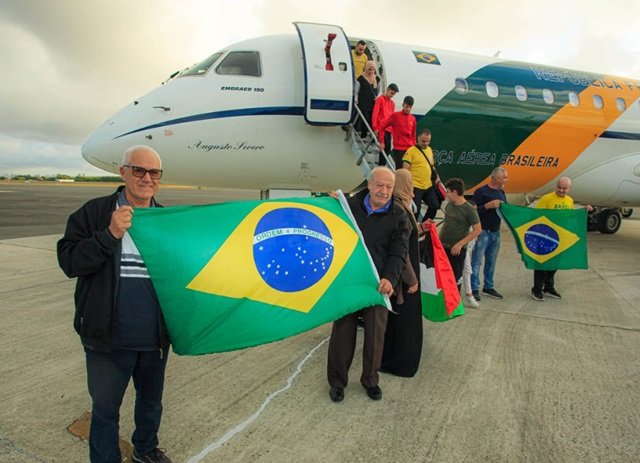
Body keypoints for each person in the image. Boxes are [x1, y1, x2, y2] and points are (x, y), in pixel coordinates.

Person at [57, 145, 173, 463]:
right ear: (123, 172)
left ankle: (145, 450)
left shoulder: (166, 220)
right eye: (139, 170)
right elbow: (69, 262)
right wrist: (109, 234)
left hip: (154, 340)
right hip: (107, 339)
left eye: (154, 172)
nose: (147, 178)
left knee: (150, 403)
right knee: (105, 410)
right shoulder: (94, 213)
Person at [327, 167, 410, 402]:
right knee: (342, 334)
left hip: (378, 284)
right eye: (380, 185)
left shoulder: (399, 215)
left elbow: (399, 252)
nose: (384, 191)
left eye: (389, 187)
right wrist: (332, 203)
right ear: (370, 184)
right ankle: (337, 383)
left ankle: (370, 380)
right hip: (350, 281)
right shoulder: (349, 207)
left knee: (375, 336)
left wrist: (390, 278)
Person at [381, 169, 423, 377]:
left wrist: (421, 229)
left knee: (396, 321)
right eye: (410, 183)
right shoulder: (399, 210)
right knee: (405, 321)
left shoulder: (400, 206)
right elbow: (401, 251)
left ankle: (390, 360)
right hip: (404, 279)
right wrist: (411, 280)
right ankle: (399, 364)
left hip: (401, 275)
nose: (412, 188)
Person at [530, 176, 592, 301]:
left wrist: (584, 210)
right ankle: (536, 290)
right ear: (556, 186)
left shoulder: (569, 200)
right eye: (559, 187)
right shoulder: (546, 198)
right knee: (542, 265)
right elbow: (536, 215)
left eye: (564, 188)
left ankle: (549, 288)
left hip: (559, 239)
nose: (561, 190)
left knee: (554, 265)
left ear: (569, 189)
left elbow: (571, 216)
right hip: (545, 237)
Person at [470, 167, 508, 301]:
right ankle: (474, 288)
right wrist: (487, 206)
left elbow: (506, 210)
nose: (506, 180)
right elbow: (472, 211)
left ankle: (488, 286)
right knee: (476, 261)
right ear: (496, 178)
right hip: (483, 232)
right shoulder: (481, 192)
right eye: (504, 178)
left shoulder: (501, 192)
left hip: (495, 232)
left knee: (491, 261)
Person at [438, 178, 481, 287]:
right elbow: (446, 224)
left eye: (448, 192)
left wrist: (460, 244)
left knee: (455, 280)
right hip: (443, 248)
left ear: (454, 192)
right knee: (442, 278)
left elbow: (477, 229)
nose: (446, 195)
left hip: (456, 251)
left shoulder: (469, 210)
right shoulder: (449, 205)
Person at [402, 129, 441, 220]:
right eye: (423, 141)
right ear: (418, 139)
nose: (425, 143)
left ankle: (424, 224)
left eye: (428, 141)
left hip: (428, 185)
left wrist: (437, 175)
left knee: (435, 205)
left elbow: (431, 165)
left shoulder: (429, 150)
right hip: (415, 186)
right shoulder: (411, 151)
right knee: (416, 210)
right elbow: (405, 170)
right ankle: (414, 226)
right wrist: (408, 186)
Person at [379, 96, 417, 169]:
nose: (408, 109)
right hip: (399, 149)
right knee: (400, 171)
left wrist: (415, 147)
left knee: (409, 171)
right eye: (406, 106)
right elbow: (382, 126)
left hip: (410, 149)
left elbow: (413, 134)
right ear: (403, 105)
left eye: (410, 107)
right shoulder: (395, 116)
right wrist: (382, 142)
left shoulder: (413, 119)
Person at [372, 83, 399, 165]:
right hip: (381, 128)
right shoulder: (380, 99)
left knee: (387, 150)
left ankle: (381, 166)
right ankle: (380, 167)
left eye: (394, 94)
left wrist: (393, 131)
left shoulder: (392, 103)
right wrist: (375, 128)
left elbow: (392, 119)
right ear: (387, 90)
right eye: (391, 93)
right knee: (383, 149)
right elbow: (375, 114)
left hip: (388, 129)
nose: (392, 95)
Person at [355, 60, 380, 138]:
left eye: (373, 69)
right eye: (370, 69)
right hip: (363, 102)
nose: (371, 71)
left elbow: (379, 91)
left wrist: (378, 98)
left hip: (373, 103)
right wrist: (356, 99)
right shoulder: (360, 78)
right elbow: (356, 91)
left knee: (373, 119)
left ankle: (372, 137)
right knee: (365, 118)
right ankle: (363, 135)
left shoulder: (377, 79)